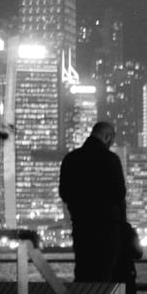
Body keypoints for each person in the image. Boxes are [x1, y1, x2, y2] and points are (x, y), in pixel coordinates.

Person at [58, 121, 127, 283]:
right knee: (106, 276)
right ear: (107, 136)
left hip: (82, 228)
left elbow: (64, 193)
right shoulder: (111, 160)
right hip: (107, 229)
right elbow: (119, 193)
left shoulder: (71, 159)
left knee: (83, 274)